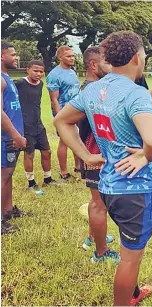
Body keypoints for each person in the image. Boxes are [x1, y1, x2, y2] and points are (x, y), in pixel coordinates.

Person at [54, 31, 152, 306]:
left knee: (129, 246)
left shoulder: (93, 89)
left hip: (108, 186)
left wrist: (84, 155)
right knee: (130, 257)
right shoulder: (136, 93)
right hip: (136, 190)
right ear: (137, 57)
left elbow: (61, 121)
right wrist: (144, 156)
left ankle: (134, 292)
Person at [77, 46, 117, 261]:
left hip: (96, 152)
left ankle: (94, 236)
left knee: (98, 200)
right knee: (98, 203)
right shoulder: (92, 90)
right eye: (106, 62)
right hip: (96, 152)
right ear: (93, 65)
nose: (111, 66)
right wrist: (85, 153)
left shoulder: (93, 88)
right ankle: (100, 253)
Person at [15, 60, 57, 195]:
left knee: (47, 152)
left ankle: (48, 178)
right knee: (29, 154)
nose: (38, 74)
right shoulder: (20, 83)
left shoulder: (41, 84)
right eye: (35, 71)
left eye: (41, 71)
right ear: (28, 69)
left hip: (38, 125)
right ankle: (31, 183)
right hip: (25, 126)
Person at [1, 41, 29, 234]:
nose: (16, 57)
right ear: (2, 56)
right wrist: (15, 135)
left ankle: (8, 210)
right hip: (6, 137)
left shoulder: (6, 77)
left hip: (12, 137)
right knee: (3, 176)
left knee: (8, 175)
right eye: (13, 54)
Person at [46, 45, 80, 180]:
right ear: (60, 57)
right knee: (64, 141)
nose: (72, 58)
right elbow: (54, 99)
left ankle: (78, 167)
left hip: (76, 111)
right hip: (64, 113)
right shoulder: (54, 75)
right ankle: (64, 172)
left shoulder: (72, 72)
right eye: (69, 56)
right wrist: (60, 118)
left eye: (73, 56)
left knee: (77, 138)